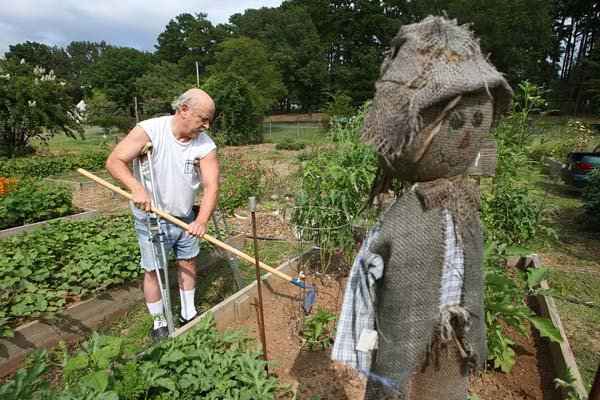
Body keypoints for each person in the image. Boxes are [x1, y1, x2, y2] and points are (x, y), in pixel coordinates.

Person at [106, 88, 219, 340]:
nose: (207, 125)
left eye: (209, 120)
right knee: (154, 269)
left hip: (186, 216)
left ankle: (188, 313)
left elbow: (211, 185)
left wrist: (201, 221)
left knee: (188, 261)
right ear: (184, 110)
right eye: (203, 119)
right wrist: (136, 188)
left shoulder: (205, 145)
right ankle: (159, 322)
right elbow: (114, 161)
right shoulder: (150, 130)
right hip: (152, 217)